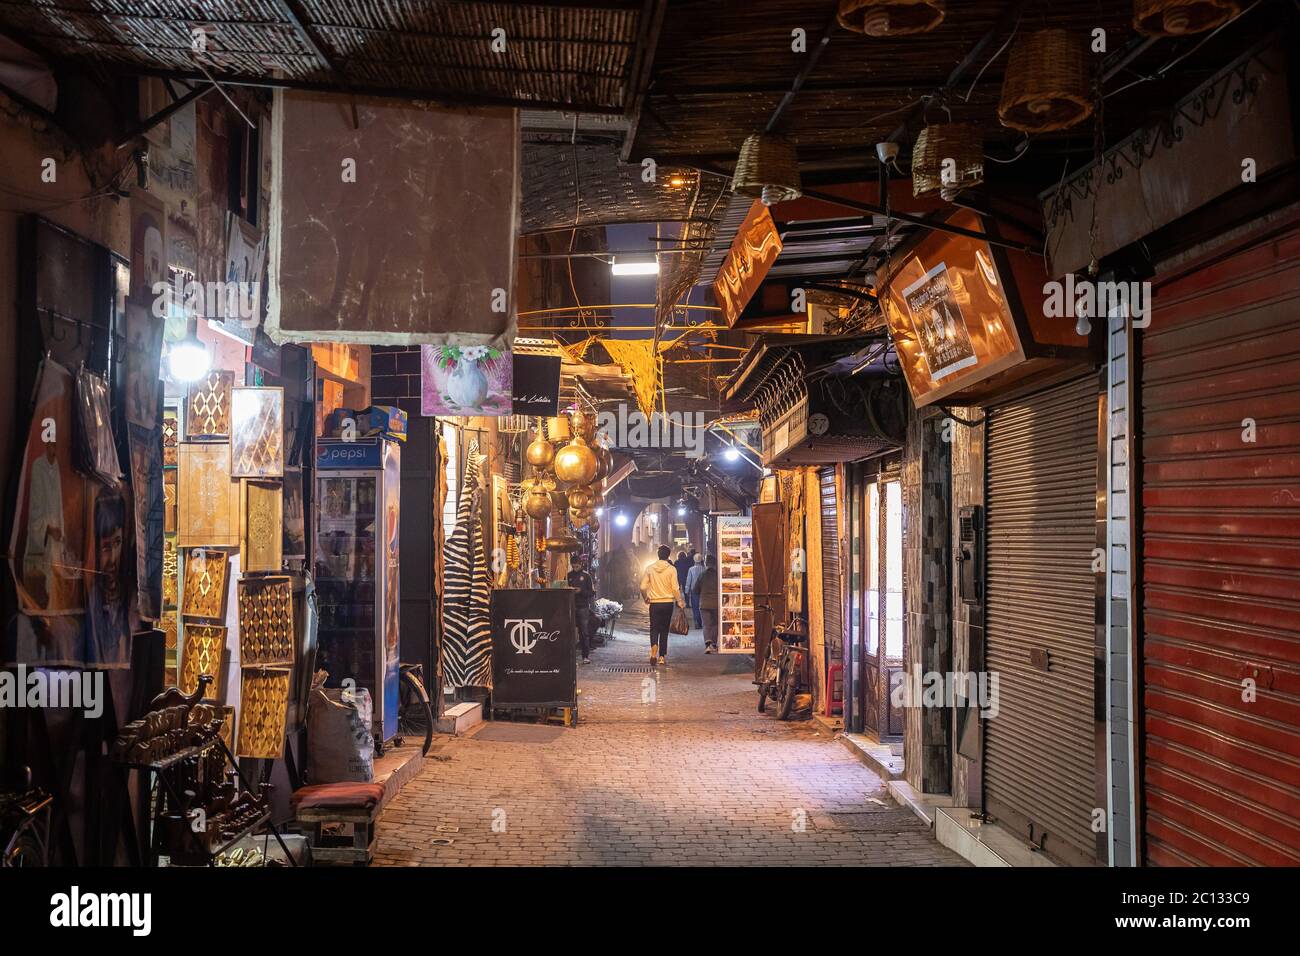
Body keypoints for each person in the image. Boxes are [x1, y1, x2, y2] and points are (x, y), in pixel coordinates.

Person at [640, 545, 685, 666]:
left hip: (654, 603)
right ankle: (661, 657)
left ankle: (653, 652)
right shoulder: (672, 569)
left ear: (658, 555)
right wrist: (679, 600)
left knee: (654, 628)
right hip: (667, 603)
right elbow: (675, 588)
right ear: (668, 556)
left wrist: (645, 597)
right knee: (664, 630)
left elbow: (642, 587)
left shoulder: (649, 568)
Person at [567, 556, 596, 665]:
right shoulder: (569, 576)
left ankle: (585, 656)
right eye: (573, 566)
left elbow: (592, 592)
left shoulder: (586, 576)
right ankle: (571, 656)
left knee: (584, 632)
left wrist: (581, 591)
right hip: (571, 606)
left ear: (581, 564)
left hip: (583, 607)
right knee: (570, 632)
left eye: (577, 566)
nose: (575, 568)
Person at [696, 555, 719, 653]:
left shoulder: (702, 575)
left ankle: (708, 645)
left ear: (705, 563)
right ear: (714, 564)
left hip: (704, 603)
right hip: (716, 603)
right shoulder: (718, 575)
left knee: (706, 624)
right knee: (715, 624)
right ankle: (714, 643)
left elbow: (695, 589)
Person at [685, 553, 705, 629]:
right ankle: (701, 622)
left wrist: (686, 591)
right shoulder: (704, 569)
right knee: (702, 607)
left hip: (694, 591)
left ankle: (697, 622)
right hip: (703, 590)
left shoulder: (691, 569)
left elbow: (688, 581)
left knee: (695, 607)